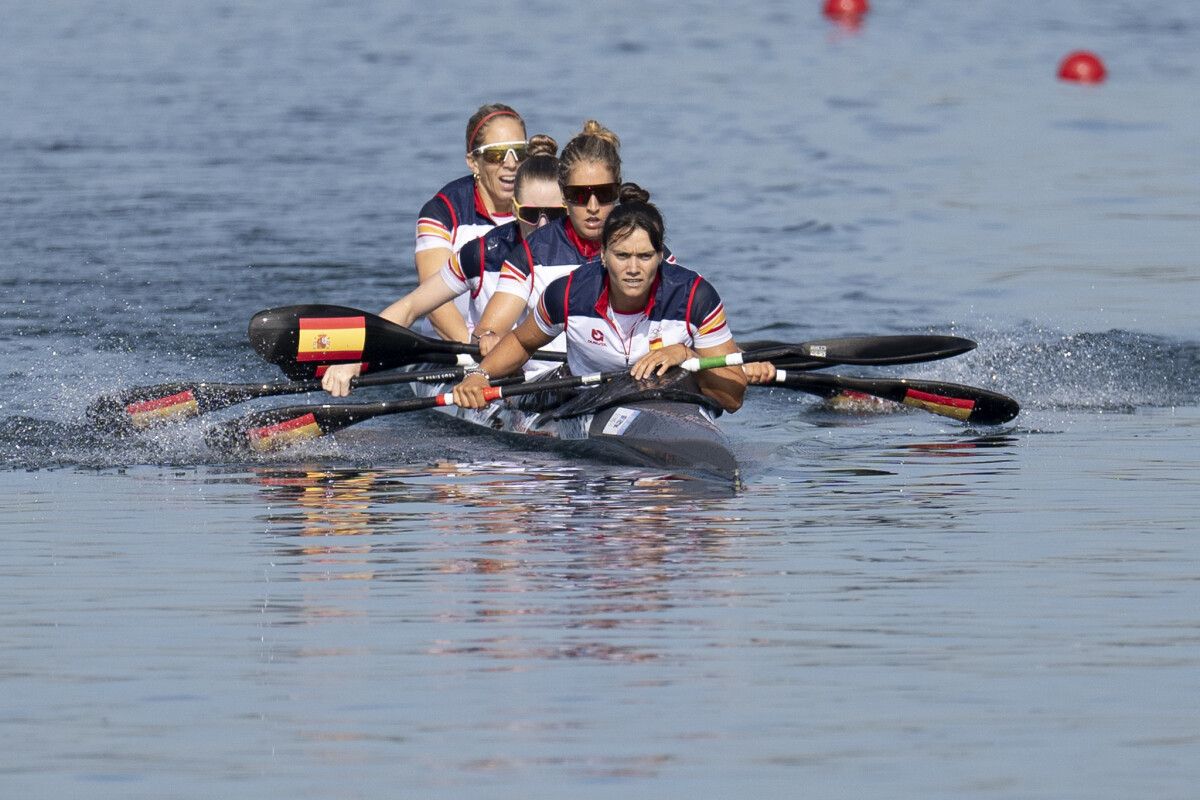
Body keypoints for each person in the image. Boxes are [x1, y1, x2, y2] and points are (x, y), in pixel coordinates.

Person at [451, 187, 749, 413]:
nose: (633, 268)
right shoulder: (568, 293)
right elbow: (522, 342)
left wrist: (687, 356)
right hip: (581, 395)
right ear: (603, 256)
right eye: (622, 256)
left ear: (661, 257)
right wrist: (480, 375)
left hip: (668, 399)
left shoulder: (696, 297)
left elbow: (732, 399)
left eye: (645, 256)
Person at [320, 136, 564, 397]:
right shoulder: (483, 253)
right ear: (514, 210)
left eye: (556, 215)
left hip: (571, 375)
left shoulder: (595, 252)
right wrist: (357, 358)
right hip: (501, 375)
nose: (542, 227)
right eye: (530, 214)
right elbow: (411, 306)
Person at [468, 120, 675, 359]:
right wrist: (488, 337)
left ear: (617, 192)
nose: (593, 207)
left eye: (605, 194)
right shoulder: (531, 254)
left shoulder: (649, 250)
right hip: (546, 381)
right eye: (579, 195)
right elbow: (487, 330)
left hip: (632, 377)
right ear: (563, 195)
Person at [413, 103, 529, 344]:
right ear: (473, 162)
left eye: (520, 152)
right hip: (455, 350)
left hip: (521, 349)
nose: (511, 164)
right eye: (496, 155)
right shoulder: (442, 213)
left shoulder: (543, 208)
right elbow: (435, 303)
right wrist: (474, 356)